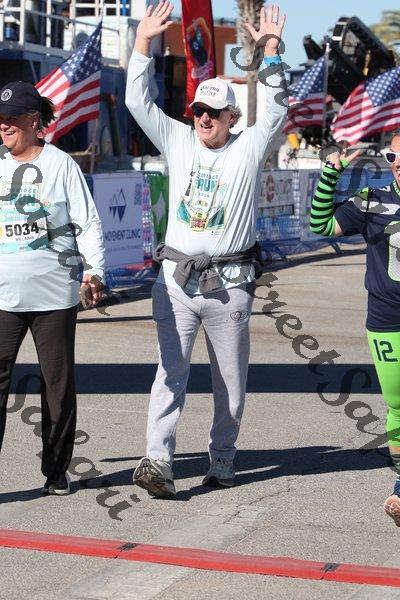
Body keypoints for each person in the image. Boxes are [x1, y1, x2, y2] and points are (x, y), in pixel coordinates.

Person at [126, 1, 288, 497]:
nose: (203, 118)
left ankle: (222, 458)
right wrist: (142, 42)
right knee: (169, 372)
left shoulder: (249, 146)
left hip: (230, 286)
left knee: (230, 382)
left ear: (231, 116)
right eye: (198, 109)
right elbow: (137, 103)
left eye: (214, 112)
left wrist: (272, 51)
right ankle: (158, 461)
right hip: (176, 283)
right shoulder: (177, 139)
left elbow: (277, 108)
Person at [0, 81, 105, 495]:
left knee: (57, 385)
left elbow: (87, 222)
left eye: (11, 118)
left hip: (54, 296)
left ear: (33, 120)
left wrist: (94, 272)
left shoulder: (61, 166)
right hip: (3, 296)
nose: (3, 125)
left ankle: (56, 470)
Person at [310, 132, 400, 527]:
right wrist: (332, 172)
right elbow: (320, 224)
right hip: (387, 320)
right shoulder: (372, 199)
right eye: (392, 156)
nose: (398, 163)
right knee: (398, 405)